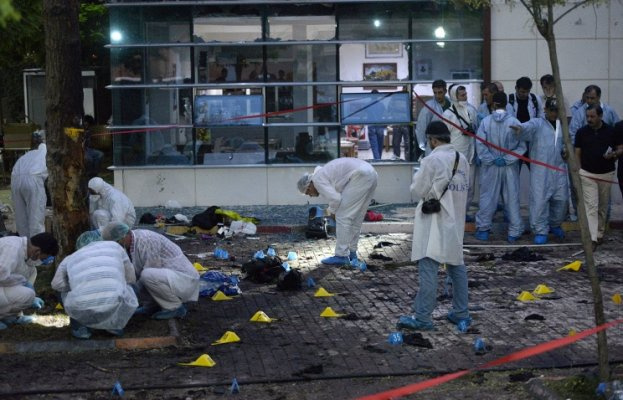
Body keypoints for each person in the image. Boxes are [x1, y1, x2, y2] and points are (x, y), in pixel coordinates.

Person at [396, 121, 470, 331]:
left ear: (433, 140)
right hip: (456, 220)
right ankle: (461, 313)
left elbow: (417, 190)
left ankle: (423, 318)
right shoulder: (462, 159)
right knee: (456, 266)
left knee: (428, 268)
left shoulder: (431, 160)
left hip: (434, 222)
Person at [101, 222, 200, 319]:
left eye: (117, 242)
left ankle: (175, 307)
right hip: (169, 277)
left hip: (184, 279)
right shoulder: (132, 243)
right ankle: (152, 306)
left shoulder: (147, 240)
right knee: (145, 276)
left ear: (124, 236)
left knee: (146, 275)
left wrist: (130, 296)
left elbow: (151, 271)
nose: (117, 246)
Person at [51, 232, 138, 339]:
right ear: (100, 240)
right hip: (114, 301)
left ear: (79, 246)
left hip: (82, 305)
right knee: (132, 287)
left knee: (60, 292)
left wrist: (74, 288)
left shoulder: (70, 258)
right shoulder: (114, 246)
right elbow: (131, 277)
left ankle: (80, 328)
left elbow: (56, 284)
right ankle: (115, 324)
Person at [297, 158, 378, 265]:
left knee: (343, 217)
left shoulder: (317, 180)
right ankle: (352, 253)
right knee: (357, 218)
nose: (311, 196)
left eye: (308, 193)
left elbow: (336, 199)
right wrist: (332, 210)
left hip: (361, 175)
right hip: (371, 173)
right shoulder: (324, 174)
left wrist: (331, 212)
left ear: (308, 186)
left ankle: (341, 255)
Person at [511, 99, 568, 244]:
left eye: (556, 110)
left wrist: (566, 151)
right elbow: (527, 128)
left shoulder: (562, 126)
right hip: (541, 172)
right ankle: (540, 230)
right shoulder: (538, 124)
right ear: (546, 110)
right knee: (539, 201)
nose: (554, 113)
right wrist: (520, 128)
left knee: (561, 200)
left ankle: (554, 224)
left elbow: (566, 143)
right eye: (551, 110)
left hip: (559, 169)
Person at [474, 92, 526, 242]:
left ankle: (483, 229)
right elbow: (522, 146)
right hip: (509, 167)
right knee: (512, 199)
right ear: (506, 104)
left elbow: (480, 144)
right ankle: (514, 232)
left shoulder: (486, 122)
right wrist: (508, 159)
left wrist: (491, 159)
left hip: (491, 167)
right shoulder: (515, 122)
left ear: (493, 104)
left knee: (488, 198)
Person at [574, 105, 623, 248]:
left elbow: (620, 148)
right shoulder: (581, 132)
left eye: (592, 117)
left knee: (602, 206)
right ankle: (592, 238)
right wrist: (578, 170)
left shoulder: (611, 131)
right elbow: (577, 152)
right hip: (587, 173)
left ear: (600, 116)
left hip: (606, 174)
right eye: (587, 116)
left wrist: (613, 154)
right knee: (591, 206)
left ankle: (599, 233)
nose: (589, 119)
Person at [0, 233, 59, 330]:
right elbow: (1, 275)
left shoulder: (24, 255)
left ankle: (11, 316)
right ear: (37, 251)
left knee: (31, 272)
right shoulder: (12, 248)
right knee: (28, 295)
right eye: (42, 258)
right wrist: (22, 282)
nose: (40, 260)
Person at [443, 84, 478, 221]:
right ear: (454, 96)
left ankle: (463, 214)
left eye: (465, 94)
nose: (465, 97)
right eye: (462, 95)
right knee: (455, 188)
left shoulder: (471, 110)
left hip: (471, 156)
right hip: (455, 158)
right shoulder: (448, 114)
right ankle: (453, 215)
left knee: (469, 187)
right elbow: (444, 137)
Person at [11, 135, 48, 238]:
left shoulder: (26, 155)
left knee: (21, 218)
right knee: (36, 217)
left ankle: (24, 243)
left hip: (15, 179)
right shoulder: (45, 152)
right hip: (33, 178)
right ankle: (37, 244)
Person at [415, 79, 451, 158]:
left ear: (445, 91)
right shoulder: (429, 106)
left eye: (440, 92)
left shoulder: (452, 105)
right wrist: (423, 144)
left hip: (450, 143)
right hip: (434, 145)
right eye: (435, 93)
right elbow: (421, 126)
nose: (437, 96)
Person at [366, 90, 387, 160]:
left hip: (371, 126)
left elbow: (365, 115)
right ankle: (379, 159)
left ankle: (377, 160)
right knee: (380, 145)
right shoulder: (381, 105)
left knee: (374, 146)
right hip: (380, 126)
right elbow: (385, 115)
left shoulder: (368, 104)